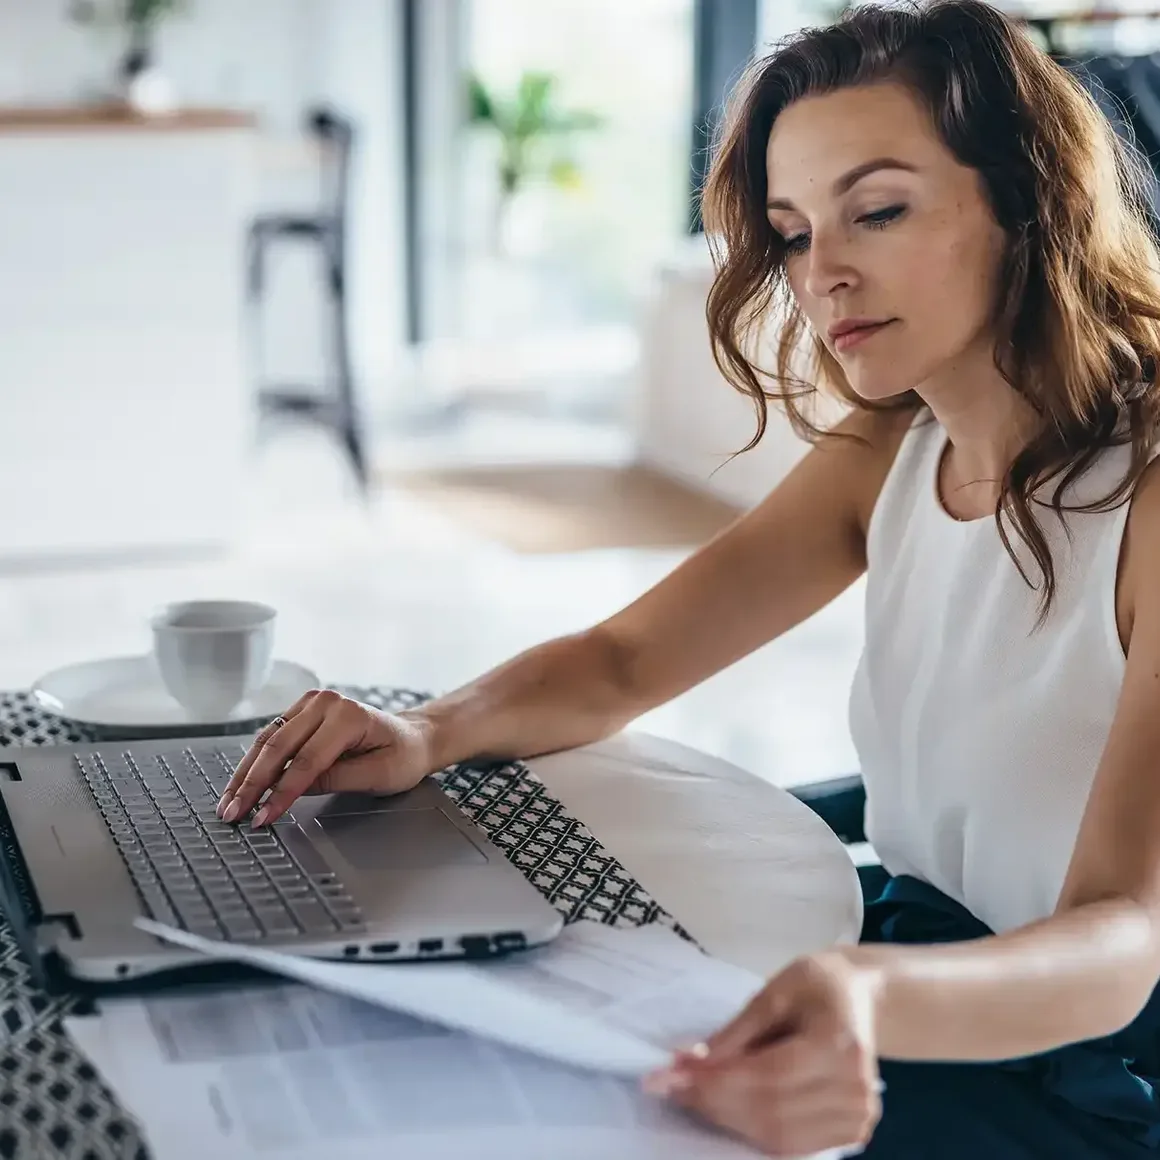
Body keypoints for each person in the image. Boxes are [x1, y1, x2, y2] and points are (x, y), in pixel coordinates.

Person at [216, 1, 1160, 1155]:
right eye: (794, 231)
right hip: (902, 964)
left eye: (876, 209)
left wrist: (866, 997)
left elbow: (1123, 935)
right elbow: (625, 659)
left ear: (1023, 201)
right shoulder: (890, 443)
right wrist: (427, 727)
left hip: (1081, 1065)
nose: (826, 275)